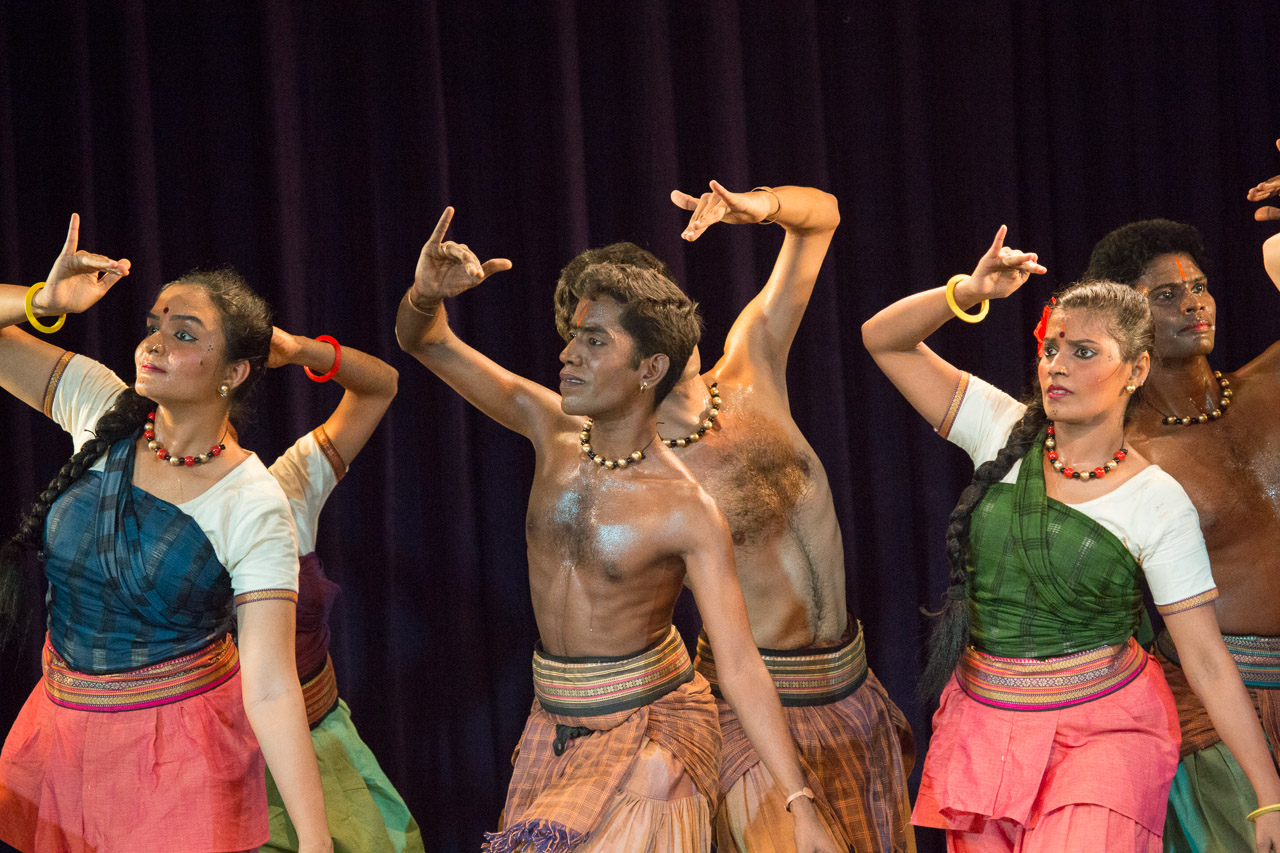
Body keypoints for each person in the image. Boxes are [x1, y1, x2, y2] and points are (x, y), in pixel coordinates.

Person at [395, 207, 841, 853]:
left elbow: (740, 664)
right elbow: (424, 342)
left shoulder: (686, 508)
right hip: (554, 732)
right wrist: (424, 296)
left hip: (654, 737)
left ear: (650, 369)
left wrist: (798, 802)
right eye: (574, 337)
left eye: (595, 342)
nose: (568, 353)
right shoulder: (549, 426)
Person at [861, 226, 1280, 852]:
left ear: (1136, 369)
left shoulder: (1156, 498)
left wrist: (1267, 795)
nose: (1057, 365)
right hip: (985, 731)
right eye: (1051, 348)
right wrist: (968, 292)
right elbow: (884, 340)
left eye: (1084, 352)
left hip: (1107, 736)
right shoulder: (1001, 429)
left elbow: (1207, 661)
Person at [552, 182, 914, 853]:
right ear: (628, 358)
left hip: (855, 694)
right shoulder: (642, 470)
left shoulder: (753, 363)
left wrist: (761, 205)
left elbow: (822, 219)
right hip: (752, 720)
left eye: (667, 300)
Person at [0, 215, 330, 852]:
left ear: (234, 372)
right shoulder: (102, 406)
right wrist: (44, 300)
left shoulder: (252, 501)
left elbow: (269, 686)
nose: (153, 344)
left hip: (177, 761)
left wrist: (316, 843)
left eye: (183, 335)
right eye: (154, 326)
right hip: (63, 741)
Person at [1076, 143, 1280, 852]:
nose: (1193, 302)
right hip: (1219, 717)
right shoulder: (1126, 452)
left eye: (1199, 287)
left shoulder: (1270, 383)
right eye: (1165, 295)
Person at [262, 328, 423, 852]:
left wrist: (300, 351)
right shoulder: (135, 509)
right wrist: (45, 306)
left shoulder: (282, 487)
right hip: (210, 768)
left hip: (320, 747)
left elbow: (379, 384)